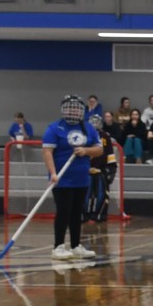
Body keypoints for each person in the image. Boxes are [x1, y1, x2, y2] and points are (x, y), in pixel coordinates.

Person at [44, 95, 102, 260]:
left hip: (81, 178)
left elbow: (99, 149)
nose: (73, 111)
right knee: (63, 211)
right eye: (70, 107)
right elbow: (47, 152)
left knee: (77, 212)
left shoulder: (88, 128)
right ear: (63, 109)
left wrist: (85, 151)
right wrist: (53, 173)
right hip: (62, 178)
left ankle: (76, 245)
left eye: (76, 108)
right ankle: (58, 247)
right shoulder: (54, 128)